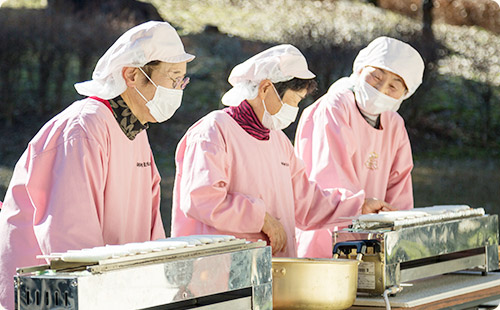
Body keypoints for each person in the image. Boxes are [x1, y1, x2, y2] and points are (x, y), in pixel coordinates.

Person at [0, 21, 194, 309]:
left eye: (182, 81)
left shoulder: (136, 131)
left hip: (109, 291)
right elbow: (72, 244)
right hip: (46, 295)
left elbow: (150, 229)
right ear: (131, 75)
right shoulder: (84, 127)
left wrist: (156, 283)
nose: (178, 89)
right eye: (173, 78)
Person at [170, 44, 392, 257]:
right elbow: (202, 198)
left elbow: (306, 201)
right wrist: (261, 219)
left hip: (271, 273)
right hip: (220, 276)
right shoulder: (214, 131)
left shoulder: (278, 141)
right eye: (294, 100)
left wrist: (358, 205)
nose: (294, 110)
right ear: (266, 88)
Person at [295, 36, 425, 258]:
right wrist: (360, 207)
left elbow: (399, 190)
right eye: (376, 76)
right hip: (327, 238)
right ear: (360, 68)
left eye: (393, 86)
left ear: (405, 95)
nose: (381, 88)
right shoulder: (335, 107)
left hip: (373, 242)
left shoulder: (394, 123)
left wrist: (398, 232)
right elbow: (331, 179)